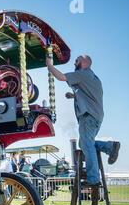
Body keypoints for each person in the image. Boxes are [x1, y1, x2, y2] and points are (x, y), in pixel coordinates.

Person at [46, 55, 120, 187]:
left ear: (85, 63)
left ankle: (93, 179)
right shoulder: (94, 78)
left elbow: (61, 77)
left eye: (77, 61)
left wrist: (50, 66)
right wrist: (74, 96)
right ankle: (109, 146)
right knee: (84, 143)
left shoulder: (83, 74)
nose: (74, 63)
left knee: (87, 145)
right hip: (96, 117)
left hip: (88, 117)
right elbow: (91, 95)